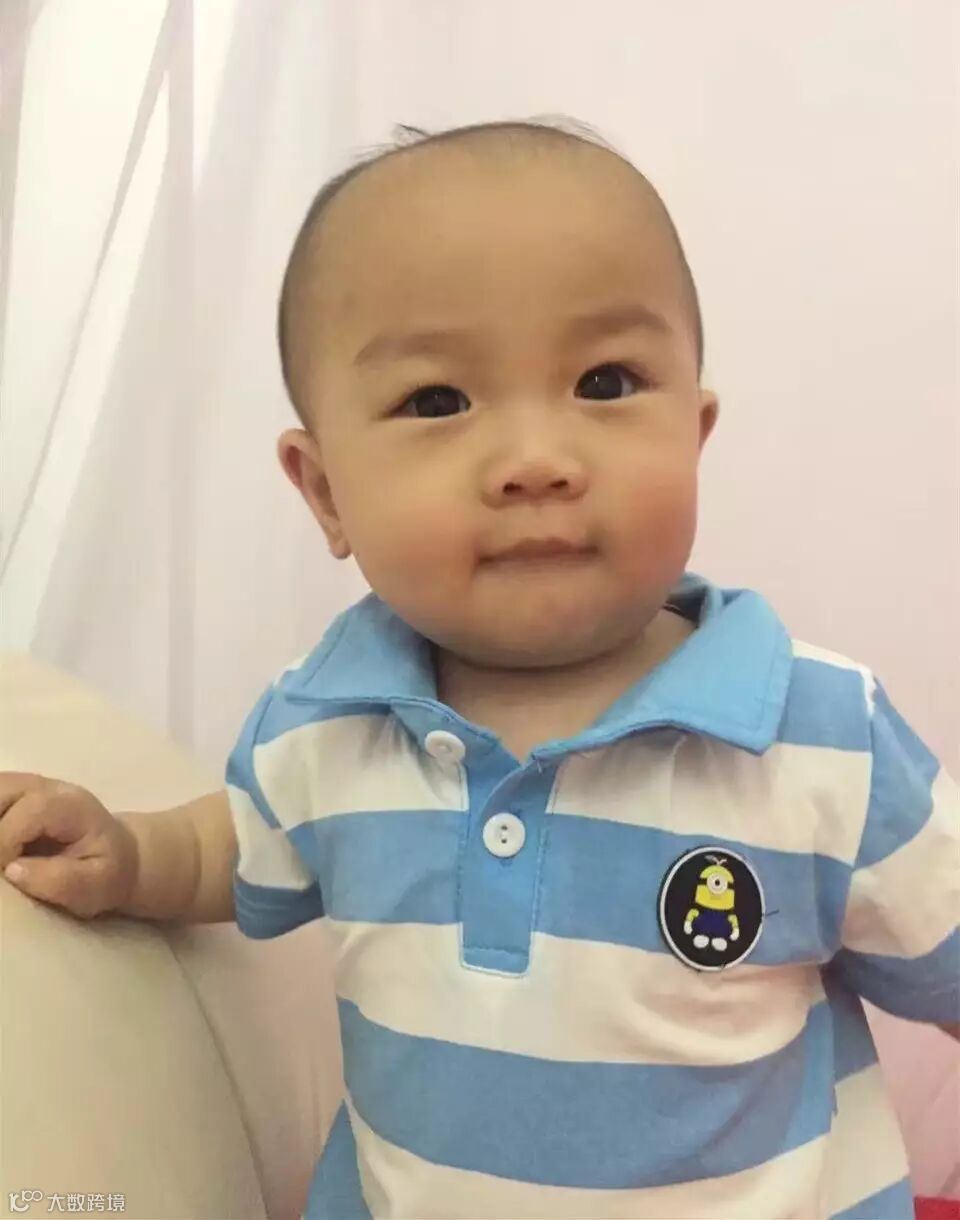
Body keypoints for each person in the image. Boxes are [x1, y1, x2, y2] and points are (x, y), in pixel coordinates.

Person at [1, 117, 957, 1220]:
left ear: (695, 437)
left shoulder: (817, 735)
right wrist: (131, 855)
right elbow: (244, 841)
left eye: (605, 380)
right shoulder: (326, 722)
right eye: (438, 402)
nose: (537, 461)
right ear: (326, 492)